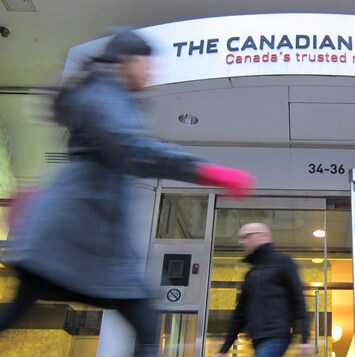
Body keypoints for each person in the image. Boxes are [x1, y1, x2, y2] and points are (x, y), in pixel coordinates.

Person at [0, 29, 254, 356]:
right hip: (73, 234)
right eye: (146, 63)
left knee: (20, 310)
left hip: (77, 236)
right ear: (126, 61)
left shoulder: (108, 94)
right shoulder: (102, 93)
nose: (151, 72)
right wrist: (204, 171)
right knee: (146, 326)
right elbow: (131, 149)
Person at [215, 222, 313, 357]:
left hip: (277, 335)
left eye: (246, 236)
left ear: (262, 236)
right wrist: (224, 349)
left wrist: (305, 338)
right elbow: (240, 313)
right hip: (257, 339)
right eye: (241, 238)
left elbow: (298, 300)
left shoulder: (283, 262)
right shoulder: (251, 274)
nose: (242, 242)